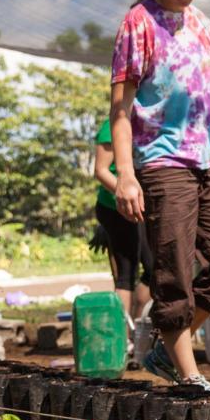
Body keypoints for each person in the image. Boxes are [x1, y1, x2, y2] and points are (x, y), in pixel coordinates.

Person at [109, 0, 210, 391]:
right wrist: (125, 174)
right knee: (175, 270)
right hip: (162, 161)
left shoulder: (203, 23)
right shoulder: (139, 23)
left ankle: (165, 351)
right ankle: (189, 375)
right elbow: (120, 108)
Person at [92, 119, 153, 321]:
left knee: (154, 269)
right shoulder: (113, 125)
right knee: (127, 273)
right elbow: (100, 171)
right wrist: (128, 195)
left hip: (140, 206)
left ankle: (137, 323)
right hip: (116, 207)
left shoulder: (147, 123)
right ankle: (123, 334)